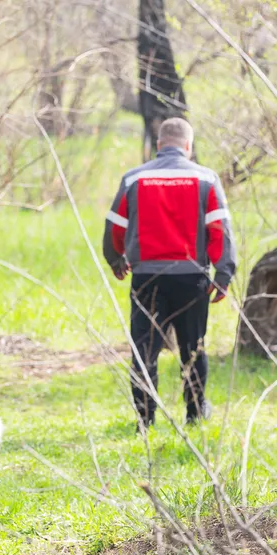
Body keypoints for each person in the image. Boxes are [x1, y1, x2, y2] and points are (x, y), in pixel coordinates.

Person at [103, 117, 236, 431]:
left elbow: (115, 225)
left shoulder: (134, 178)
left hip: (146, 278)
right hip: (192, 278)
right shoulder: (206, 178)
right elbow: (219, 228)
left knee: (144, 349)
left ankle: (145, 419)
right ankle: (195, 414)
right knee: (193, 347)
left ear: (159, 145)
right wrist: (224, 272)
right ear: (188, 146)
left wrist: (115, 258)